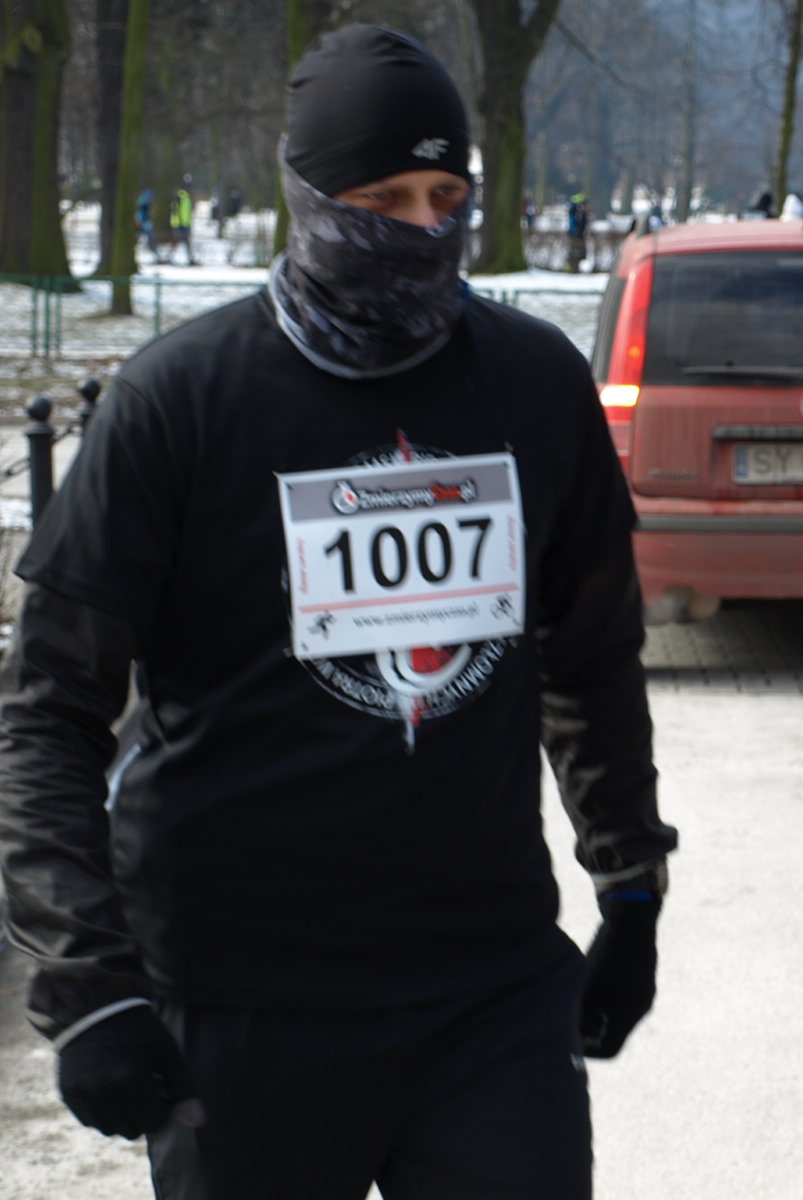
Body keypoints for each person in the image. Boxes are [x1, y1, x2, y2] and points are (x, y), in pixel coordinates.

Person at [0, 24, 675, 1200]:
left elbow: (591, 655)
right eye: (381, 200)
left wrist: (629, 884)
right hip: (244, 997)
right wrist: (87, 983)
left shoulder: (531, 383)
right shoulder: (180, 401)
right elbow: (48, 707)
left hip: (484, 988)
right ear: (307, 199)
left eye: (446, 198)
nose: (420, 229)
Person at [168, 175, 195, 265]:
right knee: (176, 241)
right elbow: (175, 212)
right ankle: (170, 257)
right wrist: (177, 224)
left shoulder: (187, 198)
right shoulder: (180, 197)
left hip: (185, 224)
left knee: (186, 242)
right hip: (179, 224)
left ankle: (190, 259)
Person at [566, 192, 590, 272]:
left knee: (578, 253)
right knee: (576, 252)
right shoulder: (577, 213)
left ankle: (575, 268)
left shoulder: (579, 213)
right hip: (576, 235)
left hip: (578, 234)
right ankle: (573, 268)